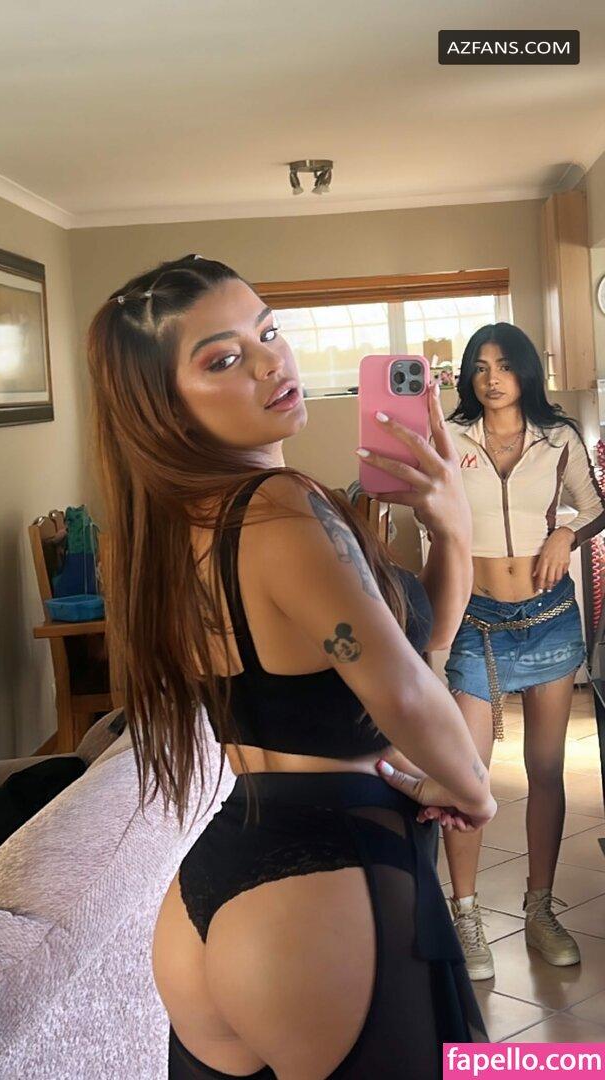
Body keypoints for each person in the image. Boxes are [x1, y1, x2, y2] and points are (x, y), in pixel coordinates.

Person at [87, 254, 495, 1079]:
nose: (272, 362)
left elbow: (415, 658)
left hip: (214, 891)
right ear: (164, 406)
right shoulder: (281, 506)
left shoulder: (167, 533)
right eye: (223, 359)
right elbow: (406, 693)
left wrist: (450, 531)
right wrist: (474, 790)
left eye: (268, 332)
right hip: (326, 883)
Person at [442, 322, 605, 980]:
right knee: (465, 777)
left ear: (526, 371)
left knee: (545, 770)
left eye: (504, 365)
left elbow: (595, 507)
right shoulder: (450, 436)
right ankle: (466, 915)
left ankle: (540, 909)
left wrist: (567, 534)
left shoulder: (558, 436)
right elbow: (424, 504)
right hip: (475, 622)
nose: (492, 378)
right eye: (480, 366)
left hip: (549, 621)